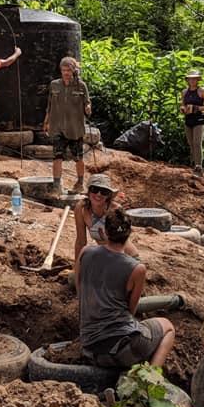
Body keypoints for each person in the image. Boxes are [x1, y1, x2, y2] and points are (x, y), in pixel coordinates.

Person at [77, 208, 176, 369]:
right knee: (167, 326)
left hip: (90, 350)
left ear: (104, 232)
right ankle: (151, 378)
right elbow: (131, 309)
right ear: (130, 234)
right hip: (123, 350)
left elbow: (79, 288)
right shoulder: (137, 269)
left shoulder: (85, 253)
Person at [73, 174, 139, 277]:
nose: (98, 194)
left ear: (108, 195)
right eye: (95, 189)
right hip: (105, 256)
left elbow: (119, 243)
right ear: (89, 192)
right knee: (74, 278)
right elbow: (81, 241)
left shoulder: (116, 210)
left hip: (125, 257)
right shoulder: (81, 208)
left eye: (103, 191)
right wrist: (77, 267)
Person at [44, 57, 91, 195]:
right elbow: (49, 105)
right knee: (57, 156)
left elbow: (87, 103)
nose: (66, 73)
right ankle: (56, 186)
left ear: (74, 71)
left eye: (68, 70)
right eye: (63, 70)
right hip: (57, 126)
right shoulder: (54, 85)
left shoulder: (81, 86)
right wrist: (46, 122)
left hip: (75, 128)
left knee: (78, 158)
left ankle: (80, 183)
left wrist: (88, 108)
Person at [179, 70, 204, 177]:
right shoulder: (185, 92)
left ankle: (199, 167)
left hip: (199, 120)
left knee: (197, 143)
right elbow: (182, 105)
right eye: (190, 78)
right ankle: (195, 166)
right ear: (187, 80)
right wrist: (183, 109)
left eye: (194, 78)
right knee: (191, 144)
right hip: (188, 120)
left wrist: (197, 108)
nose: (192, 80)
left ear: (197, 80)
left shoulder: (201, 91)